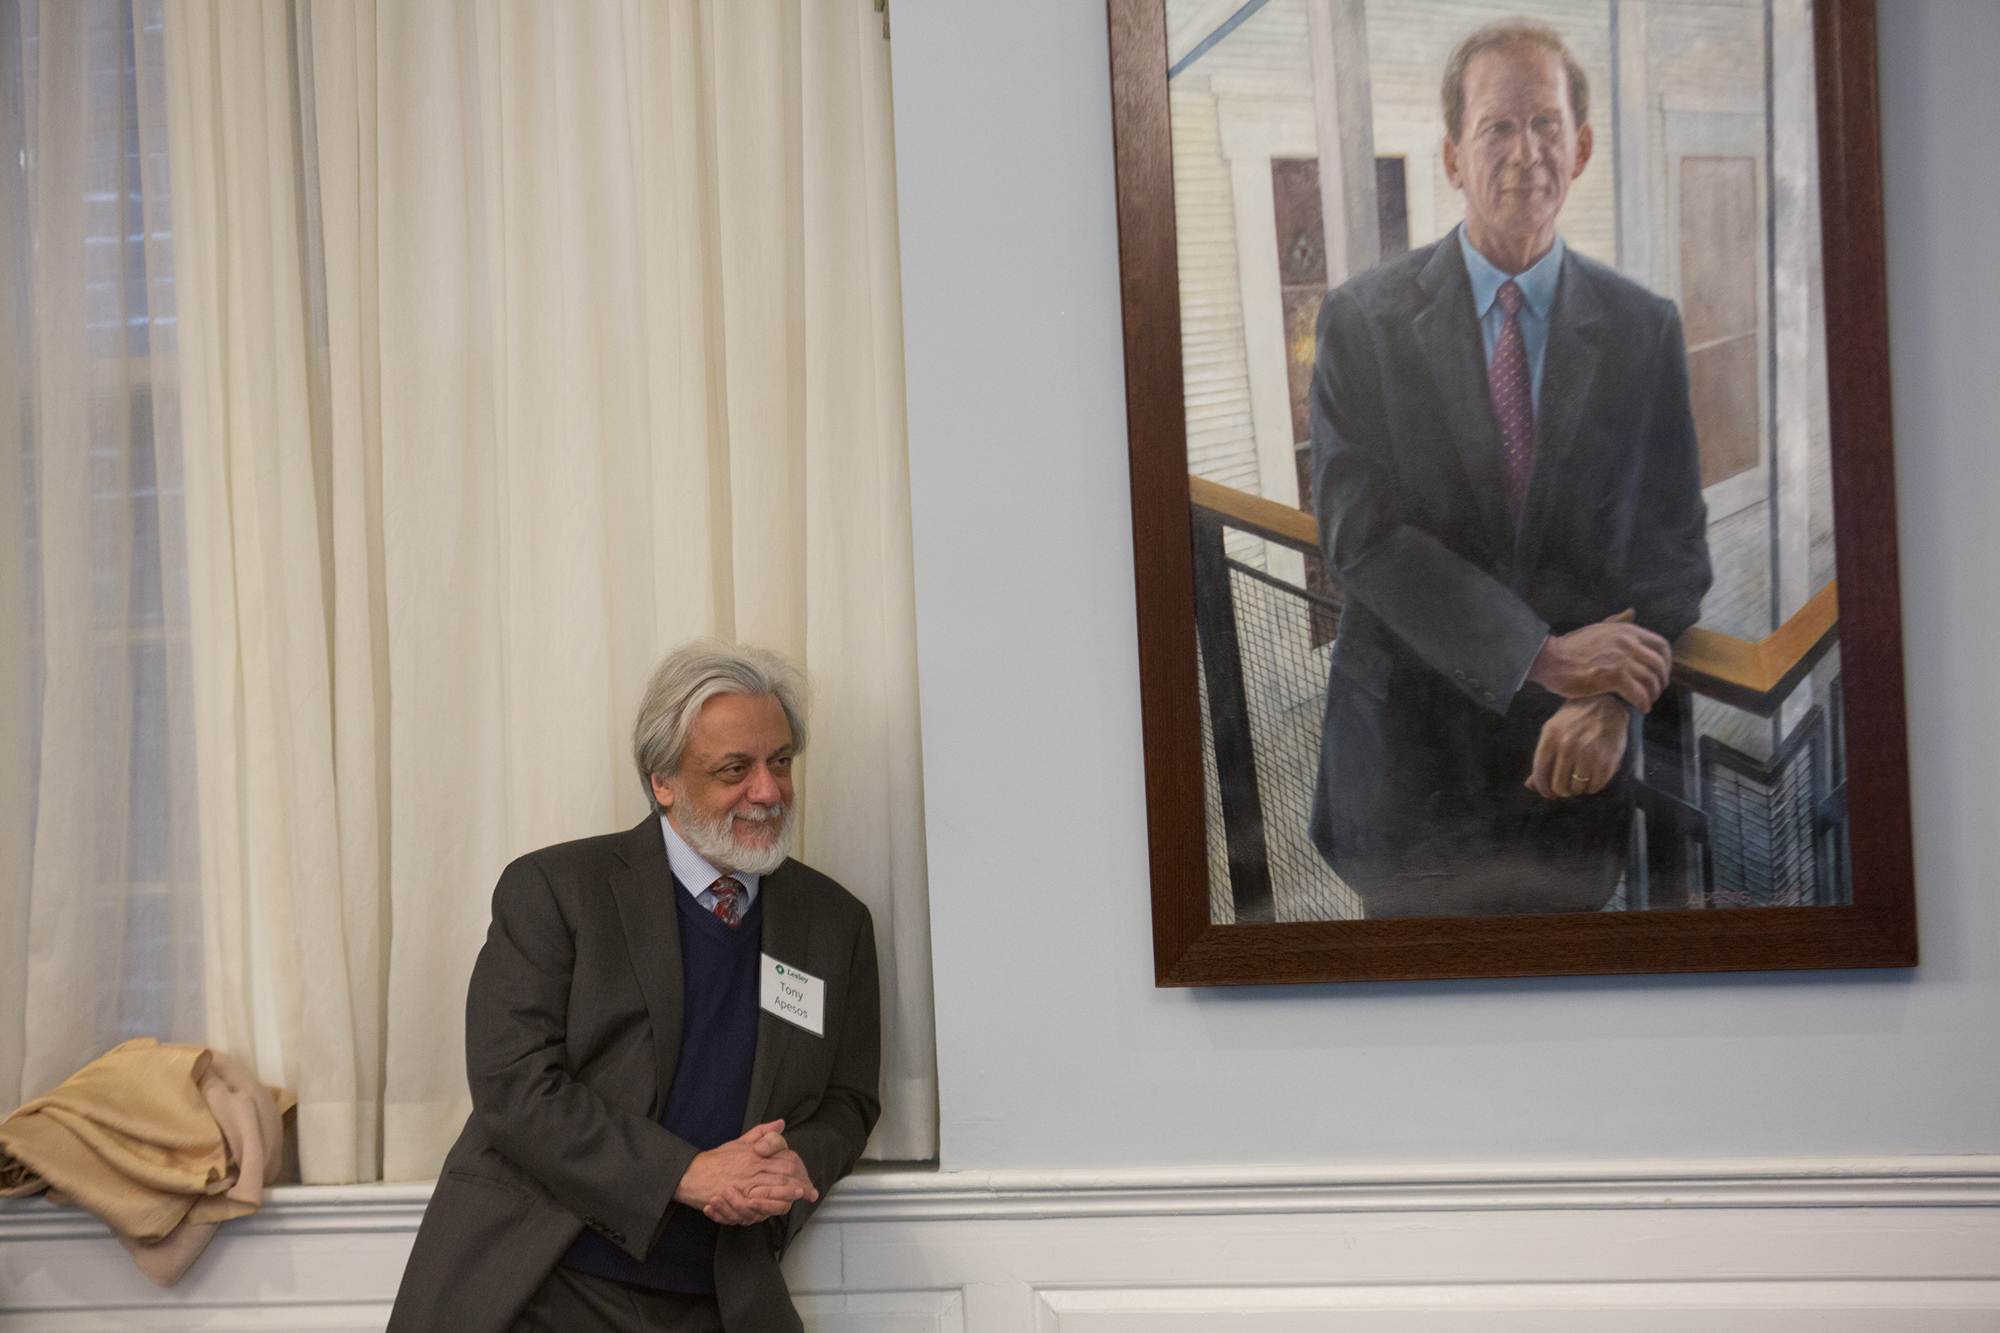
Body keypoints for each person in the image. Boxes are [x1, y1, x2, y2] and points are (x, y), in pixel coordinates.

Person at [1306, 20, 1712, 918]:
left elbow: (1675, 552)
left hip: (1567, 784)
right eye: (1497, 127)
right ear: (1453, 157)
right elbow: (1359, 535)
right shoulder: (1361, 324)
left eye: (1545, 124)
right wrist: (1545, 655)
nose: (1525, 152)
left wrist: (1613, 698)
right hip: (1411, 792)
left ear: (1582, 146)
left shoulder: (1643, 330)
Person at [387, 642, 880, 1333]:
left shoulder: (836, 923)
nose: (768, 792)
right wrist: (687, 1172)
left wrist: (794, 1165)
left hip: (725, 1296)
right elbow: (514, 1085)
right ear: (664, 782)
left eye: (781, 762)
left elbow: (849, 1100)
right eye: (735, 768)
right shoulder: (556, 892)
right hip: (545, 1283)